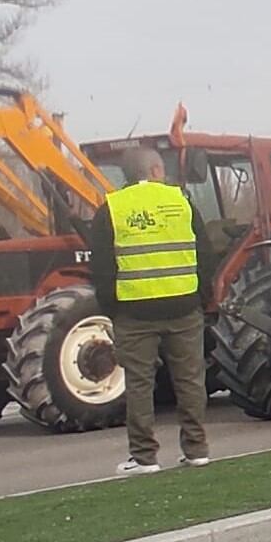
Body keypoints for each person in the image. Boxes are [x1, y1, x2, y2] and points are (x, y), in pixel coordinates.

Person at [88, 147, 215, 475]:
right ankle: (197, 450)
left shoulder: (112, 209)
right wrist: (202, 296)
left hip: (135, 312)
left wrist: (112, 308)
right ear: (157, 169)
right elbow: (205, 252)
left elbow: (101, 267)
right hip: (185, 307)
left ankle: (145, 458)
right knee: (190, 381)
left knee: (139, 384)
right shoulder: (182, 201)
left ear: (127, 175)